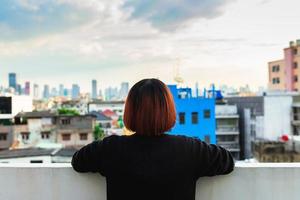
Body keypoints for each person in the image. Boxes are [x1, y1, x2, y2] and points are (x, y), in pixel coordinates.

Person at [72, 78, 234, 200]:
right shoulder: (189, 149)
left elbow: (78, 162)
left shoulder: (111, 148)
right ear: (168, 111)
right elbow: (227, 162)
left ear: (130, 111)